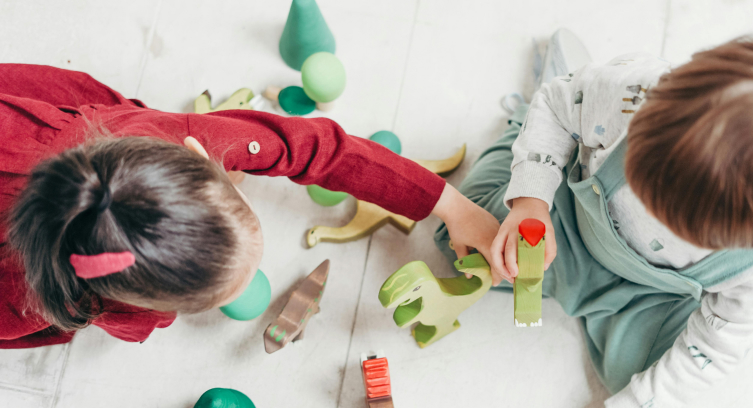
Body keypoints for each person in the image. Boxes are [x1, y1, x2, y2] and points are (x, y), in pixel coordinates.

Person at [435, 31, 753, 408]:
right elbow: (558, 107)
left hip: (654, 293)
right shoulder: (633, 94)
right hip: (571, 222)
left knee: (641, 383)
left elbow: (711, 350)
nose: (657, 216)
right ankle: (536, 110)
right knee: (457, 235)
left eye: (683, 226)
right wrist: (531, 203)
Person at [0, 64, 499, 348]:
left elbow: (316, 146)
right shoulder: (33, 304)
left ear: (200, 154)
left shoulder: (179, 135)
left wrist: (450, 205)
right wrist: (146, 318)